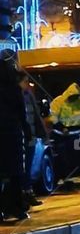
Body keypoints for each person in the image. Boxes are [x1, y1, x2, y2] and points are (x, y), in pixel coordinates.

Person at [0, 57, 30, 221]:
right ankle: (15, 207)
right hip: (12, 134)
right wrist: (27, 131)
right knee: (15, 173)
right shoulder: (13, 89)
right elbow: (22, 113)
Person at [19, 71, 46, 205]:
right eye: (25, 81)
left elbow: (35, 115)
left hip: (30, 136)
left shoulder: (28, 95)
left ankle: (28, 193)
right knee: (22, 167)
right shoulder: (15, 96)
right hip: (20, 137)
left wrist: (42, 134)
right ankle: (23, 195)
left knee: (28, 166)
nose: (27, 84)